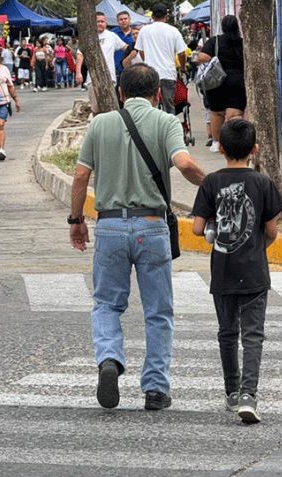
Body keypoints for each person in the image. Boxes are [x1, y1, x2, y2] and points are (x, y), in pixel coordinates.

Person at [68, 63, 205, 410]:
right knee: (158, 311)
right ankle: (156, 389)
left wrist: (76, 219)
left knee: (106, 304)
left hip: (110, 225)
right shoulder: (166, 122)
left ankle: (110, 359)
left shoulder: (100, 124)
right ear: (158, 93)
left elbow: (81, 176)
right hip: (151, 226)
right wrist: (213, 187)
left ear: (120, 93)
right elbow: (185, 164)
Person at [190, 119, 282, 424]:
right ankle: (248, 394)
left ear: (219, 148)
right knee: (253, 335)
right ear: (255, 150)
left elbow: (196, 228)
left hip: (222, 271)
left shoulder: (211, 183)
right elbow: (271, 231)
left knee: (227, 333)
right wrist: (258, 245)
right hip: (255, 271)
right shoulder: (263, 184)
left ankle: (231, 391)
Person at [197, 15, 245, 153]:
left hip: (217, 81)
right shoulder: (242, 42)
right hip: (237, 81)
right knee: (235, 113)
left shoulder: (215, 41)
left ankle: (217, 143)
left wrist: (214, 60)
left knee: (217, 113)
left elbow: (202, 57)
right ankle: (236, 143)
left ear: (223, 27)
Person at [132, 3, 188, 114]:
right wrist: (182, 67)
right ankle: (169, 127)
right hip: (168, 73)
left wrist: (147, 61)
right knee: (169, 104)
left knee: (150, 105)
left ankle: (151, 127)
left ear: (152, 16)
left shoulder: (144, 30)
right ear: (166, 17)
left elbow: (140, 50)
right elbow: (182, 53)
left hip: (150, 74)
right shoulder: (173, 31)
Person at [75, 12, 130, 115]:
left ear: (106, 23)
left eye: (102, 21)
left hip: (110, 79)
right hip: (93, 79)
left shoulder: (112, 36)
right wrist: (78, 72)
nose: (100, 23)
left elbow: (126, 48)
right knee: (96, 109)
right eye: (97, 21)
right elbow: (80, 54)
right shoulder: (88, 37)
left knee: (111, 109)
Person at [112, 11, 135, 83]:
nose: (123, 21)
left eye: (125, 19)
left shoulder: (135, 33)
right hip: (116, 70)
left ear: (129, 19)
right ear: (117, 21)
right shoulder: (112, 34)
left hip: (133, 70)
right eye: (121, 19)